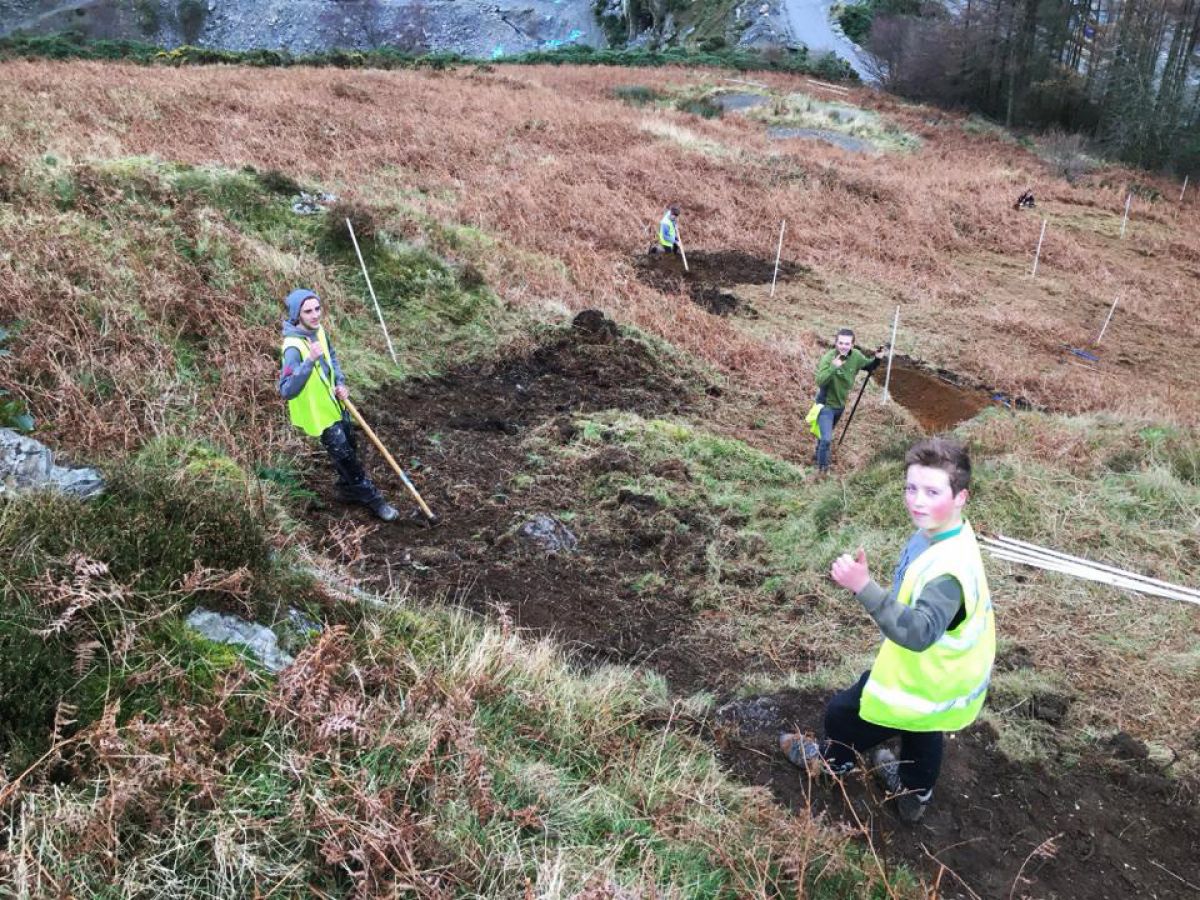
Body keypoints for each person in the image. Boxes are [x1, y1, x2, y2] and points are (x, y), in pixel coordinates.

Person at [780, 437, 995, 823]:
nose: (917, 501)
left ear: (962, 496)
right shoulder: (948, 532)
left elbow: (918, 632)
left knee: (843, 714)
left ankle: (833, 766)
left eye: (932, 491)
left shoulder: (948, 572)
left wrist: (864, 586)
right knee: (926, 725)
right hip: (945, 679)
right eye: (911, 488)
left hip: (922, 674)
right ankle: (915, 793)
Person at [278, 288, 399, 522]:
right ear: (296, 315)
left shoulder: (319, 331)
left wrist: (341, 383)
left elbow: (331, 357)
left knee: (350, 445)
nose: (315, 315)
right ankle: (374, 500)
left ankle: (346, 488)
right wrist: (309, 361)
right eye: (308, 311)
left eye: (317, 309)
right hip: (318, 413)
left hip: (335, 403)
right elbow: (287, 390)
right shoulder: (292, 348)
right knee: (347, 457)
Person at [812, 329, 884, 474]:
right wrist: (834, 367)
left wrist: (877, 359)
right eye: (840, 343)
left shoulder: (856, 356)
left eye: (847, 343)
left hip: (840, 406)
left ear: (852, 345)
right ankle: (822, 471)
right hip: (825, 406)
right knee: (826, 439)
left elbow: (868, 366)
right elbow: (820, 381)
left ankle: (817, 455)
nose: (843, 346)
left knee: (824, 436)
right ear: (836, 343)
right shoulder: (828, 358)